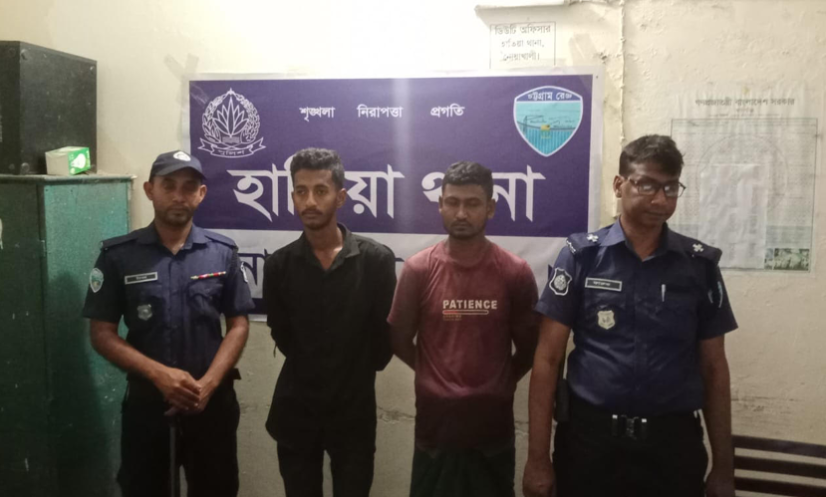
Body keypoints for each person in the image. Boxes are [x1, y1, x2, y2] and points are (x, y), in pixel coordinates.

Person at [523, 135, 738, 497]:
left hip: (672, 447)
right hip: (591, 444)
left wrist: (723, 467)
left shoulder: (698, 266)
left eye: (671, 187)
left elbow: (715, 368)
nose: (661, 199)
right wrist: (537, 459)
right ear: (618, 185)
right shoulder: (581, 257)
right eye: (647, 185)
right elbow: (547, 358)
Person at [82, 150, 254, 497]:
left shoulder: (222, 252)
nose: (179, 195)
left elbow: (238, 324)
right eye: (168, 185)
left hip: (211, 406)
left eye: (189, 187)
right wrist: (160, 375)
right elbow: (102, 334)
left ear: (201, 194)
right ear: (150, 190)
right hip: (148, 406)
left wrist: (207, 385)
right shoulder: (119, 256)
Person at [388, 161, 539, 497]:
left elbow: (530, 347)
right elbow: (398, 339)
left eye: (472, 204)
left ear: (490, 208)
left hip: (492, 433)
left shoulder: (514, 272)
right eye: (452, 202)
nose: (461, 213)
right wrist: (433, 377)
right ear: (440, 204)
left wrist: (498, 383)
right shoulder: (418, 269)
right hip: (436, 431)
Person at [262, 148, 397, 497]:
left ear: (340, 197)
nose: (310, 201)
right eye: (301, 191)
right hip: (296, 413)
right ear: (292, 196)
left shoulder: (375, 262)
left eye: (320, 190)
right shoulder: (278, 266)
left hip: (353, 416)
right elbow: (283, 335)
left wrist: (349, 374)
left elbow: (383, 342)